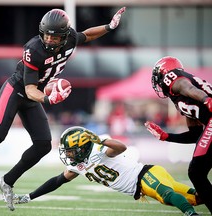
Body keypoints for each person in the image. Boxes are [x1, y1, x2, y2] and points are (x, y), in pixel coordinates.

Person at [0, 7, 126, 211]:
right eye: (47, 35)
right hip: (17, 90)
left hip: (35, 94)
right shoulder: (33, 49)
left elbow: (86, 35)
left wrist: (109, 26)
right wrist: (48, 100)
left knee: (43, 145)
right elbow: (30, 89)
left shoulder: (70, 39)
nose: (49, 40)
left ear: (65, 35)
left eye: (54, 37)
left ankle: (7, 180)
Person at [12, 126, 202, 216]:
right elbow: (56, 181)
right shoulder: (78, 165)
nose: (69, 155)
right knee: (197, 197)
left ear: (82, 147)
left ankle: (191, 215)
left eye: (71, 151)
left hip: (146, 175)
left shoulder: (98, 148)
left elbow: (121, 147)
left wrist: (100, 141)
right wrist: (29, 196)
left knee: (167, 194)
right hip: (141, 187)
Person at [144, 56, 212, 214]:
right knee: (198, 172)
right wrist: (167, 137)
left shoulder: (173, 78)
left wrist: (206, 99)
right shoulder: (179, 98)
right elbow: (195, 136)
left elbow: (187, 87)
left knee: (196, 172)